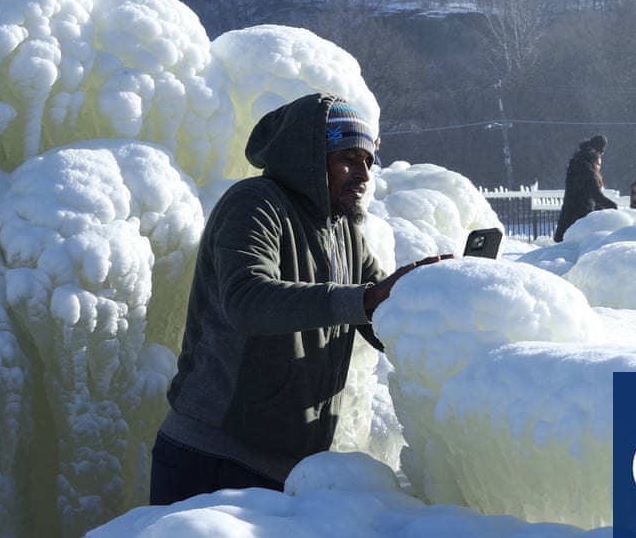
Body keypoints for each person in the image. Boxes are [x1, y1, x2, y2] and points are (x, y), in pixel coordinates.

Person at [150, 93, 450, 505]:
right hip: (212, 456)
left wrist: (437, 301)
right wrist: (364, 298)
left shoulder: (344, 230)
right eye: (348, 158)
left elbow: (379, 310)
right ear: (308, 155)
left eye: (368, 161)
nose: (363, 173)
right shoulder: (254, 204)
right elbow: (246, 300)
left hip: (289, 469)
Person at [553, 134, 618, 242]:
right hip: (580, 219)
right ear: (597, 153)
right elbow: (596, 195)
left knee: (564, 247)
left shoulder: (575, 163)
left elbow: (583, 193)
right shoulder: (588, 170)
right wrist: (613, 207)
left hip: (568, 216)